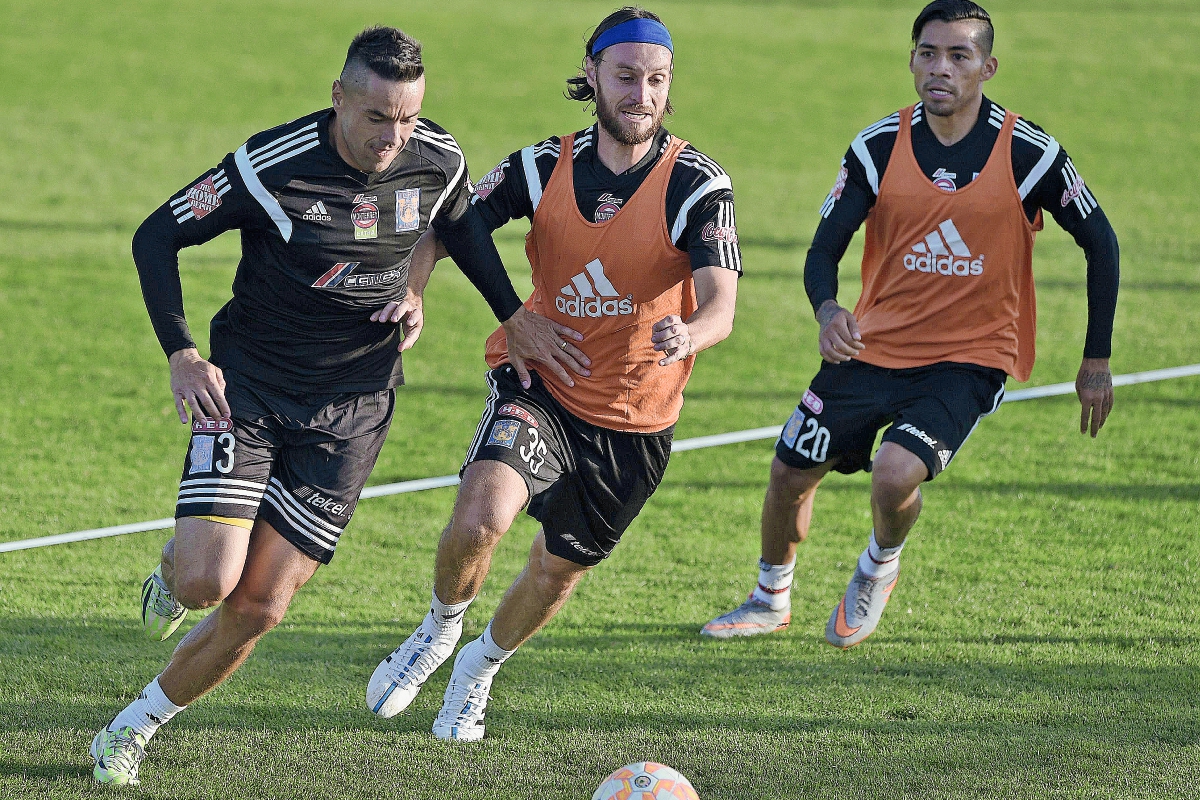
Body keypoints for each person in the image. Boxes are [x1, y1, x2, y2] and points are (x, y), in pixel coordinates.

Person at [90, 26, 582, 785]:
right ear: (339, 98)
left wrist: (503, 311)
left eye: (408, 119)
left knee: (260, 606)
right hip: (247, 391)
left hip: (353, 408)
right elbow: (157, 236)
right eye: (378, 117)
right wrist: (182, 353)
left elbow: (461, 227)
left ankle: (131, 729)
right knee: (205, 584)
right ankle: (172, 569)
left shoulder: (437, 158)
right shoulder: (269, 167)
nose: (394, 136)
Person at [365, 6, 741, 741]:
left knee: (553, 572)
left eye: (657, 80)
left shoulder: (697, 183)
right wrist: (413, 288)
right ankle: (439, 630)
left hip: (635, 423)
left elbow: (722, 303)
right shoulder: (545, 165)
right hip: (542, 388)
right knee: (480, 518)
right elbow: (452, 223)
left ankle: (479, 668)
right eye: (626, 76)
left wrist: (689, 330)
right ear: (593, 74)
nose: (641, 94)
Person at [702, 0, 1119, 647]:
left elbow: (1102, 243)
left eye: (959, 55)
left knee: (897, 472)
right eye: (928, 53)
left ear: (988, 66)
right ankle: (769, 599)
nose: (940, 68)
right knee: (788, 474)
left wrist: (1095, 361)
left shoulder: (1027, 153)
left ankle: (878, 566)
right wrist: (828, 310)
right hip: (873, 345)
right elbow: (822, 249)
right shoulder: (878, 146)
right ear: (912, 61)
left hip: (971, 357)